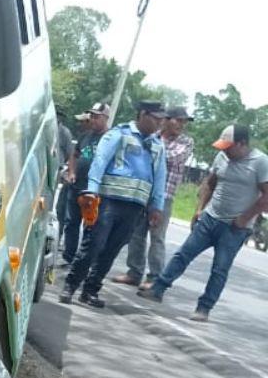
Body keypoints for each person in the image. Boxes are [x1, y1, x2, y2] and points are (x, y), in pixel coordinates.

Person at [140, 124, 268, 321]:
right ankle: (158, 289)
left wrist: (244, 219)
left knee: (219, 268)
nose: (225, 150)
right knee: (183, 254)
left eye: (229, 146)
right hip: (210, 218)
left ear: (242, 144)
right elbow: (210, 183)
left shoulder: (260, 162)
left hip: (234, 227)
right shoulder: (222, 157)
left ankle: (204, 308)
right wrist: (199, 209)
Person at [61, 101, 167, 308]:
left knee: (111, 250)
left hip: (135, 207)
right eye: (156, 118)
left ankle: (90, 290)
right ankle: (70, 286)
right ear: (143, 114)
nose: (159, 123)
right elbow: (100, 161)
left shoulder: (157, 145)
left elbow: (160, 177)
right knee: (93, 245)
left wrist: (157, 206)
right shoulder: (120, 134)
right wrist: (92, 190)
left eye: (161, 119)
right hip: (109, 201)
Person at [114, 106, 194, 287]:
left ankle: (155, 277)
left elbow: (170, 157)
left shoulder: (185, 142)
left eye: (184, 122)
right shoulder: (153, 137)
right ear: (166, 119)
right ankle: (134, 272)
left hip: (164, 196)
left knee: (157, 237)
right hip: (143, 192)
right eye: (179, 120)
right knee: (136, 234)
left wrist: (148, 150)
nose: (181, 125)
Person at [62, 103, 110, 265]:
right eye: (92, 116)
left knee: (91, 226)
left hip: (94, 190)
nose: (93, 120)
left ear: (105, 118)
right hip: (76, 185)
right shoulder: (85, 136)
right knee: (71, 223)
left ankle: (83, 261)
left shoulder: (111, 138)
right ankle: (68, 257)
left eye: (97, 117)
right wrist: (71, 172)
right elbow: (74, 156)